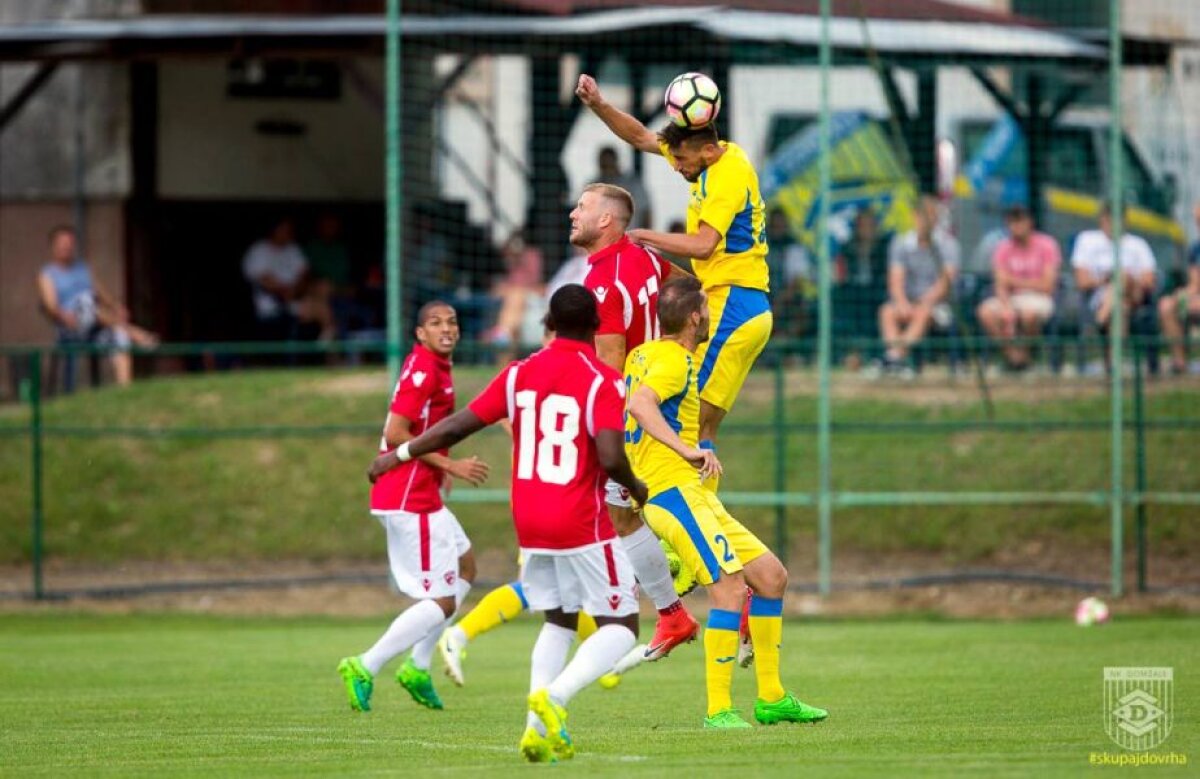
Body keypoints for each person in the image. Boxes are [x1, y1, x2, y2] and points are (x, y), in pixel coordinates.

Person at [369, 285, 648, 763]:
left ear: (552, 324)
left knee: (558, 620)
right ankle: (555, 698)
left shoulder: (518, 374)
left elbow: (457, 426)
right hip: (579, 519)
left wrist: (397, 454)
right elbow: (608, 455)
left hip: (530, 520)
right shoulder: (603, 380)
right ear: (597, 325)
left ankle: (534, 732)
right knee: (622, 624)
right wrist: (636, 488)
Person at [437, 185, 698, 686]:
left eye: (582, 205)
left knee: (618, 518)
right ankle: (670, 607)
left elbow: (610, 359)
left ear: (608, 220)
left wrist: (597, 415)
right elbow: (686, 289)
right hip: (661, 394)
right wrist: (679, 347)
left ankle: (676, 609)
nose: (572, 212)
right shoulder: (644, 256)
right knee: (627, 515)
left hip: (629, 409)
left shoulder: (601, 279)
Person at [625, 275, 828, 729]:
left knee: (771, 577)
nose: (714, 313)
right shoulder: (675, 360)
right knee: (730, 589)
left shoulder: (642, 353)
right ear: (697, 316)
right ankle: (719, 710)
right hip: (672, 493)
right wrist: (687, 448)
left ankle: (772, 697)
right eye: (709, 307)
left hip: (688, 492)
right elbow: (641, 404)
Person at [577, 74, 771, 493]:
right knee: (700, 417)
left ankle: (694, 509)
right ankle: (699, 504)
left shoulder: (728, 175)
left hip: (733, 305)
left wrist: (644, 237)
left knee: (690, 413)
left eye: (682, 160)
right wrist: (598, 104)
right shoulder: (704, 154)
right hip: (734, 303)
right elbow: (643, 137)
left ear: (705, 149)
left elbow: (703, 245)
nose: (677, 166)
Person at [337, 301, 491, 713]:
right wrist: (450, 465)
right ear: (420, 334)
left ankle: (417, 667)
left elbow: (425, 430)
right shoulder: (424, 370)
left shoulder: (436, 366)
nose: (447, 328)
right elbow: (395, 433)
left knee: (466, 567)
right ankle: (364, 665)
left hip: (420, 491)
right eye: (435, 323)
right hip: (407, 497)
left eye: (453, 322)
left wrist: (439, 469)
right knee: (441, 600)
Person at [36, 225, 159, 387]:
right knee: (87, 301)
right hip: (70, 327)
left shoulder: (82, 269)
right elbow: (50, 305)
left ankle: (125, 389)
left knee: (119, 336)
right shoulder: (47, 274)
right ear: (54, 246)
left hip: (94, 326)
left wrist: (116, 306)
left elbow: (100, 293)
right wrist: (63, 315)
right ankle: (137, 334)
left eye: (69, 243)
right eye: (62, 243)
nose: (66, 247)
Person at [876, 195, 960, 372]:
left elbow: (946, 283)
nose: (926, 221)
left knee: (922, 313)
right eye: (922, 215)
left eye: (930, 216)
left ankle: (894, 358)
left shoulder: (948, 244)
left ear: (936, 218)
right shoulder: (901, 243)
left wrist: (923, 302)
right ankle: (897, 358)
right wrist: (901, 302)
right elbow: (895, 279)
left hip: (938, 306)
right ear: (914, 216)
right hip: (909, 301)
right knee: (887, 311)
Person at [976, 205, 1061, 370]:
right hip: (1010, 298)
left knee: (1029, 314)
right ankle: (1015, 358)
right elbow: (1000, 283)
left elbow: (1047, 285)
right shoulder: (1003, 248)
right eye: (1012, 223)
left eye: (1020, 222)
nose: (1016, 227)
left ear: (1030, 223)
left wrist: (1014, 281)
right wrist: (1006, 306)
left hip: (1039, 298)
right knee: (985, 312)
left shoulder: (1047, 245)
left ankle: (1024, 357)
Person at [242, 216, 335, 342]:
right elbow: (265, 281)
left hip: (296, 298)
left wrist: (297, 291)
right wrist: (286, 292)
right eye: (284, 230)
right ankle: (327, 351)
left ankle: (325, 343)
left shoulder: (293, 249)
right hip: (272, 305)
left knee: (324, 289)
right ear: (275, 230)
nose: (288, 233)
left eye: (289, 230)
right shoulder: (258, 250)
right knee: (323, 312)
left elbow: (304, 275)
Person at [1071, 203, 1157, 334]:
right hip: (1100, 298)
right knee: (1120, 310)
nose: (1112, 224)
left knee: (1122, 276)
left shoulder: (1138, 244)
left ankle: (1099, 321)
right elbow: (1081, 282)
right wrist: (1106, 280)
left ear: (1125, 221)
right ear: (1101, 220)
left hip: (1135, 295)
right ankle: (1114, 352)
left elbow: (1149, 282)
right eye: (1108, 220)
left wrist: (1125, 279)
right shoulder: (1087, 240)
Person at [832, 207, 889, 367]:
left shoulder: (883, 247)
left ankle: (873, 353)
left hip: (876, 293)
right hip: (852, 294)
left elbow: (885, 275)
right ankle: (848, 352)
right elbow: (841, 276)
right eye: (863, 225)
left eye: (870, 225)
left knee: (873, 303)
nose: (866, 229)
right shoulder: (848, 247)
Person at [1157, 203, 1200, 375]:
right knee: (1167, 306)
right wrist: (1180, 297)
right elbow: (1194, 284)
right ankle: (1180, 362)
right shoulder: (1195, 250)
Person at [593, 146, 652, 229]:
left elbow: (646, 212)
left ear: (615, 161)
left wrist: (645, 240)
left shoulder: (632, 183)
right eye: (604, 165)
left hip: (630, 237)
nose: (607, 169)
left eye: (608, 164)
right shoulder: (593, 187)